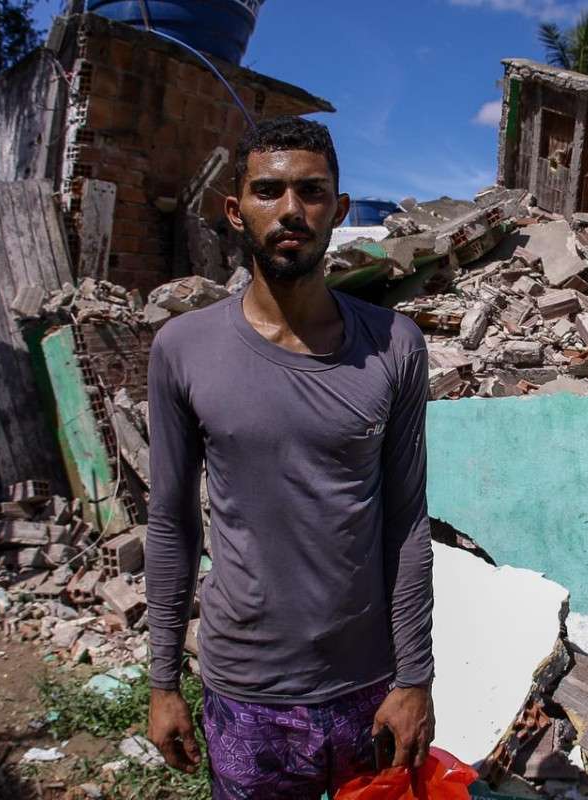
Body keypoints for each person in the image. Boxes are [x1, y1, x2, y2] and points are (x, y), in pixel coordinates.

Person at [144, 116, 435, 799]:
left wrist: (414, 677)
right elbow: (170, 524)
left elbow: (406, 522)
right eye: (268, 191)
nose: (291, 211)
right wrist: (162, 683)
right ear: (235, 210)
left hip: (369, 689)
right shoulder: (183, 350)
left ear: (336, 208)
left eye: (310, 192)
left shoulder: (394, 345)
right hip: (248, 693)